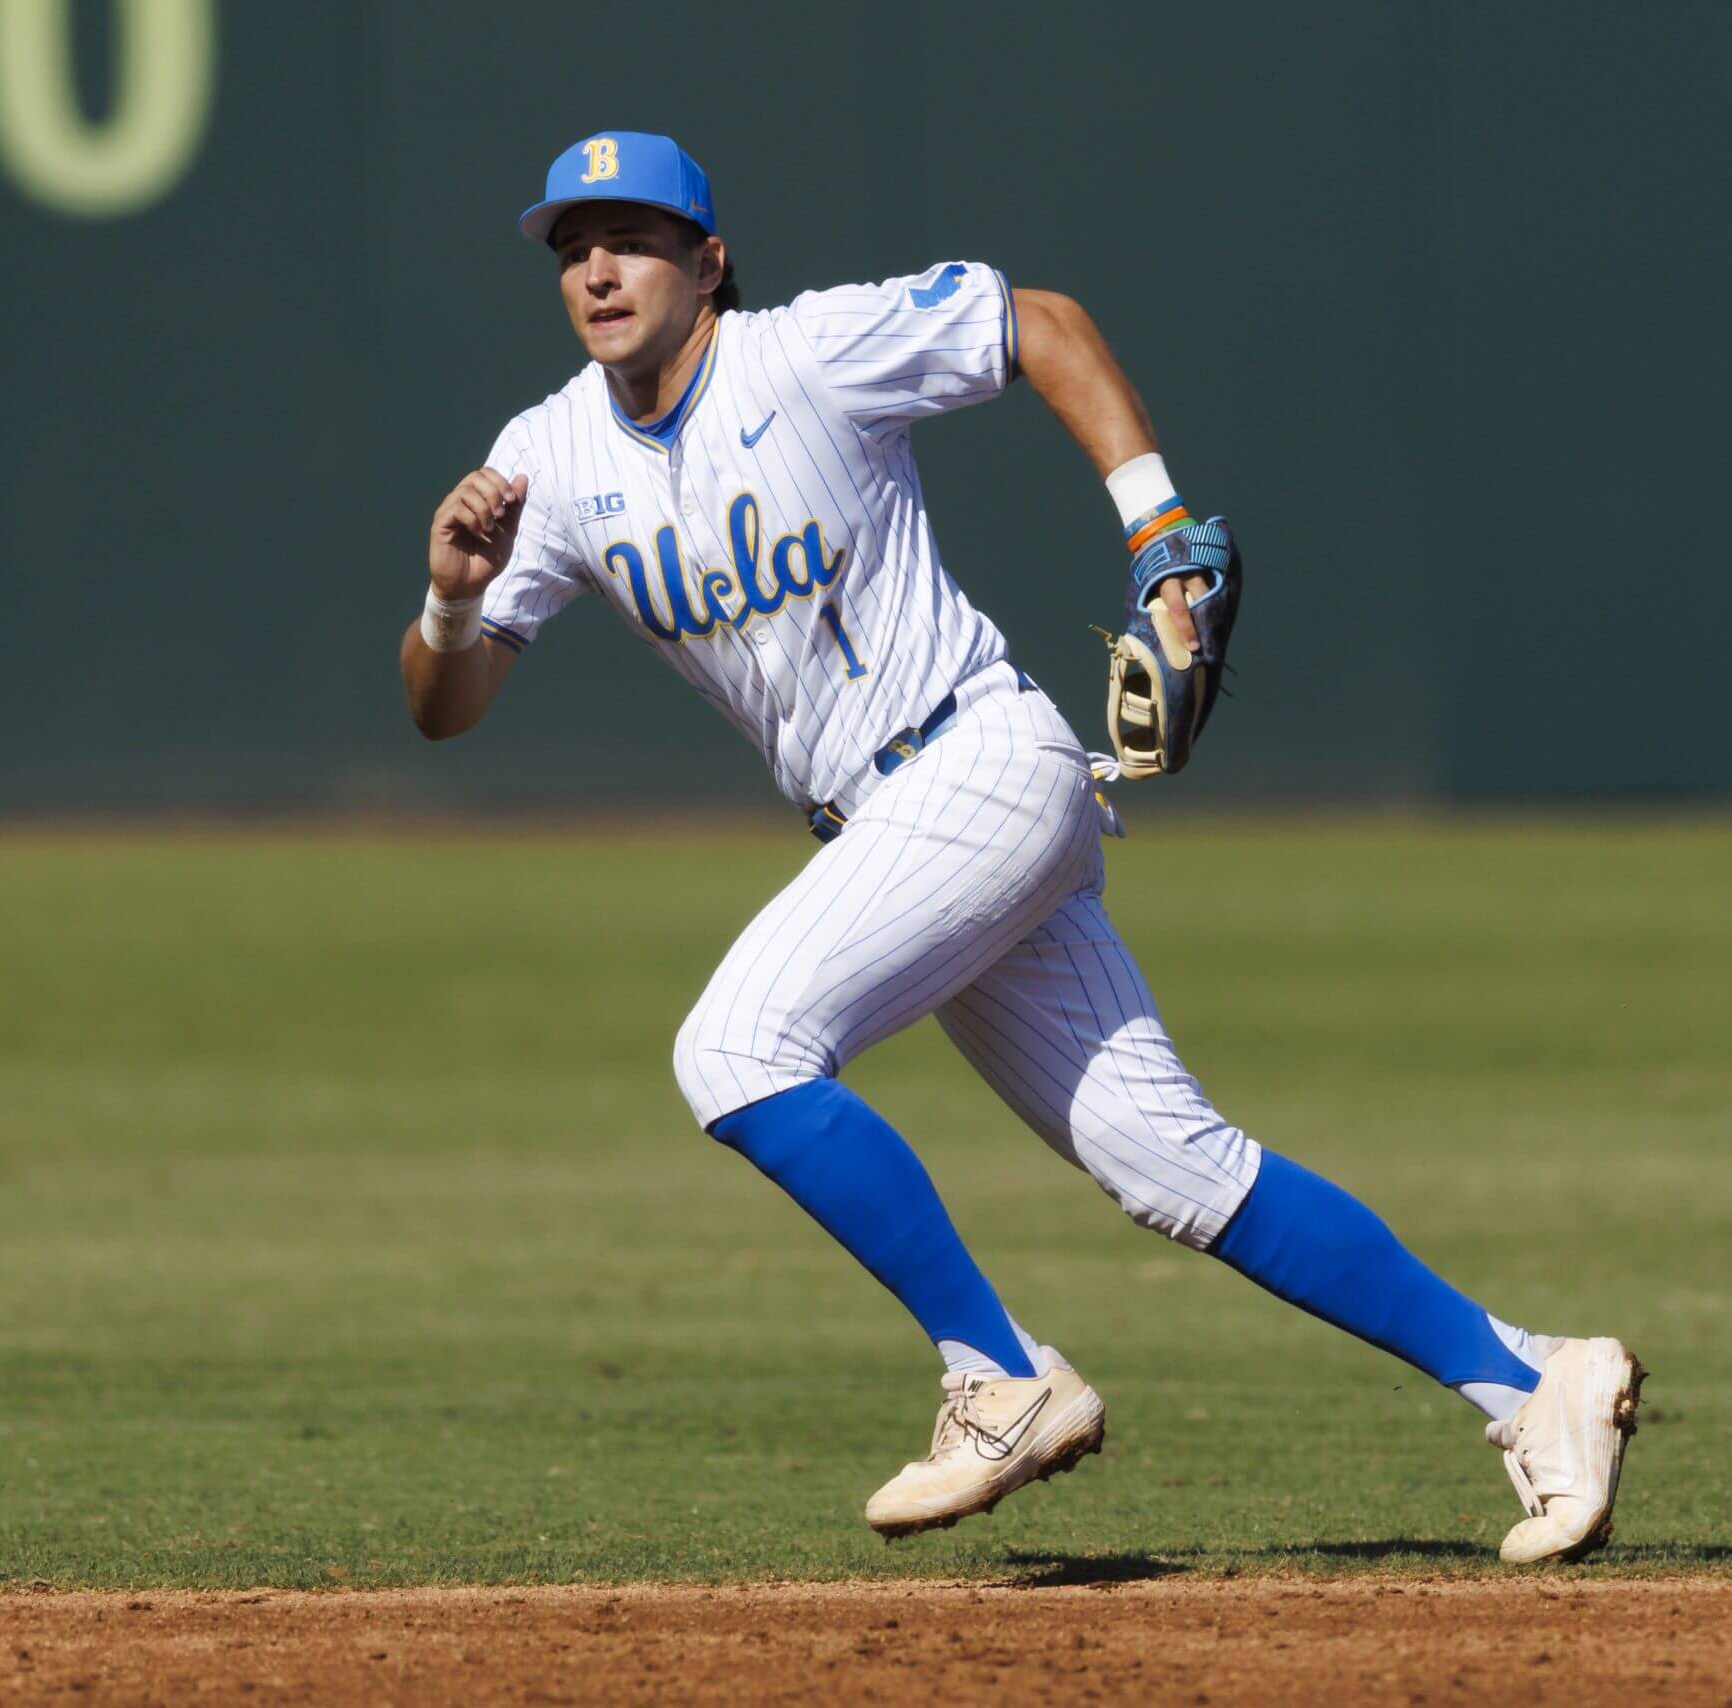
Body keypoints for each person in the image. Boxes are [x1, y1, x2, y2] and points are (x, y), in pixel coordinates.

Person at [399, 131, 1643, 1563]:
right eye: (572, 244)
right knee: (1171, 1165)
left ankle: (996, 1375)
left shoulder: (806, 354)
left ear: (709, 262)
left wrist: (1159, 527)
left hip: (975, 761)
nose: (600, 266)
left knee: (736, 1049)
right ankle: (1534, 1379)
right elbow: (449, 709)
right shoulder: (545, 459)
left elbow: (1038, 326)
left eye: (634, 236)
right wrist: (449, 604)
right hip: (901, 827)